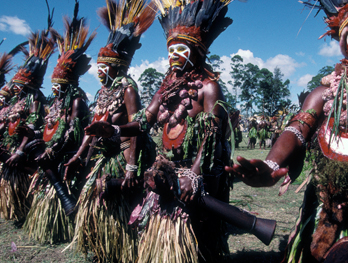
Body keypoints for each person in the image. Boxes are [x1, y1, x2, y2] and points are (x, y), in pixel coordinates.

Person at [226, 0, 348, 262]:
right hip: (323, 222)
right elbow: (296, 130)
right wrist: (272, 164)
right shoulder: (324, 94)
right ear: (342, 39)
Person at [85, 0, 236, 261]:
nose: (172, 55)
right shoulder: (166, 87)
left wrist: (195, 175)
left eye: (180, 49)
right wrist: (114, 129)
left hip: (200, 170)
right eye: (170, 50)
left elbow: (213, 135)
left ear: (196, 49)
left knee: (198, 236)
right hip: (169, 166)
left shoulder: (208, 87)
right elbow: (144, 121)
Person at [63, 1, 155, 261]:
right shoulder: (102, 93)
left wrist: (130, 167)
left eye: (106, 66)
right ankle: (104, 247)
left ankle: (123, 249)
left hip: (126, 154)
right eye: (100, 65)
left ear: (117, 65)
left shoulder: (127, 88)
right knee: (93, 197)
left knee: (113, 197)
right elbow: (91, 131)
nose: (101, 70)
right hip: (105, 156)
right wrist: (78, 155)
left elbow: (138, 127)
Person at [22, 1, 94, 243]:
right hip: (53, 151)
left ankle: (68, 211)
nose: (55, 89)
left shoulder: (76, 100)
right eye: (53, 85)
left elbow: (74, 132)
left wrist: (53, 150)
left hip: (70, 152)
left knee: (52, 165)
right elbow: (48, 125)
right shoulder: (55, 101)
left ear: (68, 83)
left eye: (59, 85)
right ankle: (54, 219)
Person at [0, 31, 54, 222]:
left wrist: (21, 150)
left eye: (18, 84)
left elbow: (32, 124)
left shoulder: (35, 99)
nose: (14, 87)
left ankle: (28, 209)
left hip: (30, 148)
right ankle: (17, 210)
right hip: (12, 147)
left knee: (29, 175)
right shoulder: (15, 101)